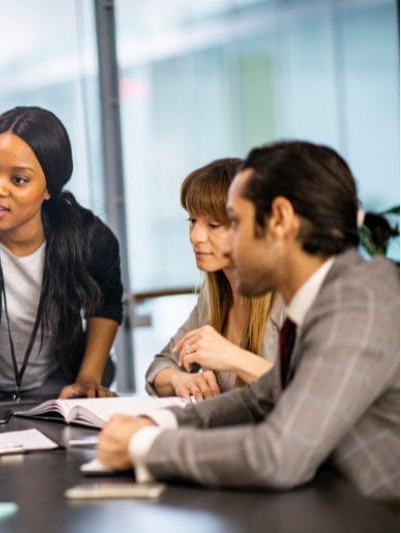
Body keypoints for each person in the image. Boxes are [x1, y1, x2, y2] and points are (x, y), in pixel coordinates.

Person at [98, 140, 399, 502]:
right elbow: (259, 398)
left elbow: (278, 455)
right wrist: (161, 422)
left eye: (234, 224)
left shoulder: (358, 303)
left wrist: (145, 446)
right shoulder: (326, 298)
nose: (225, 247)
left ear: (281, 220)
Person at [0, 106, 123, 439]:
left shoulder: (89, 236)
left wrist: (88, 378)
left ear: (49, 188)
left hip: (61, 397)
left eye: (18, 179)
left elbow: (107, 304)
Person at [145, 158, 284, 400]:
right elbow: (160, 367)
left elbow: (309, 391)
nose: (195, 236)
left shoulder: (287, 298)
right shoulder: (212, 297)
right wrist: (181, 379)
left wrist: (232, 356)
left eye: (214, 224)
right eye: (192, 220)